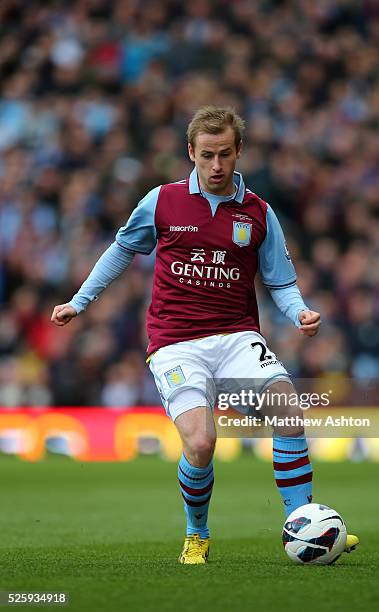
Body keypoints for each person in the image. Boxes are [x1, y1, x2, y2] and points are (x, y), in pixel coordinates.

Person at [51, 106, 359, 563]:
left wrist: (300, 313)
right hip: (176, 341)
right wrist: (80, 301)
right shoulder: (162, 201)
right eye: (207, 156)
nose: (216, 166)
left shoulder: (258, 212)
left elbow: (280, 280)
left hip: (236, 336)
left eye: (225, 155)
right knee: (200, 442)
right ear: (191, 153)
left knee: (289, 412)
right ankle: (197, 531)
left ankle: (304, 522)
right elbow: (121, 250)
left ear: (239, 152)